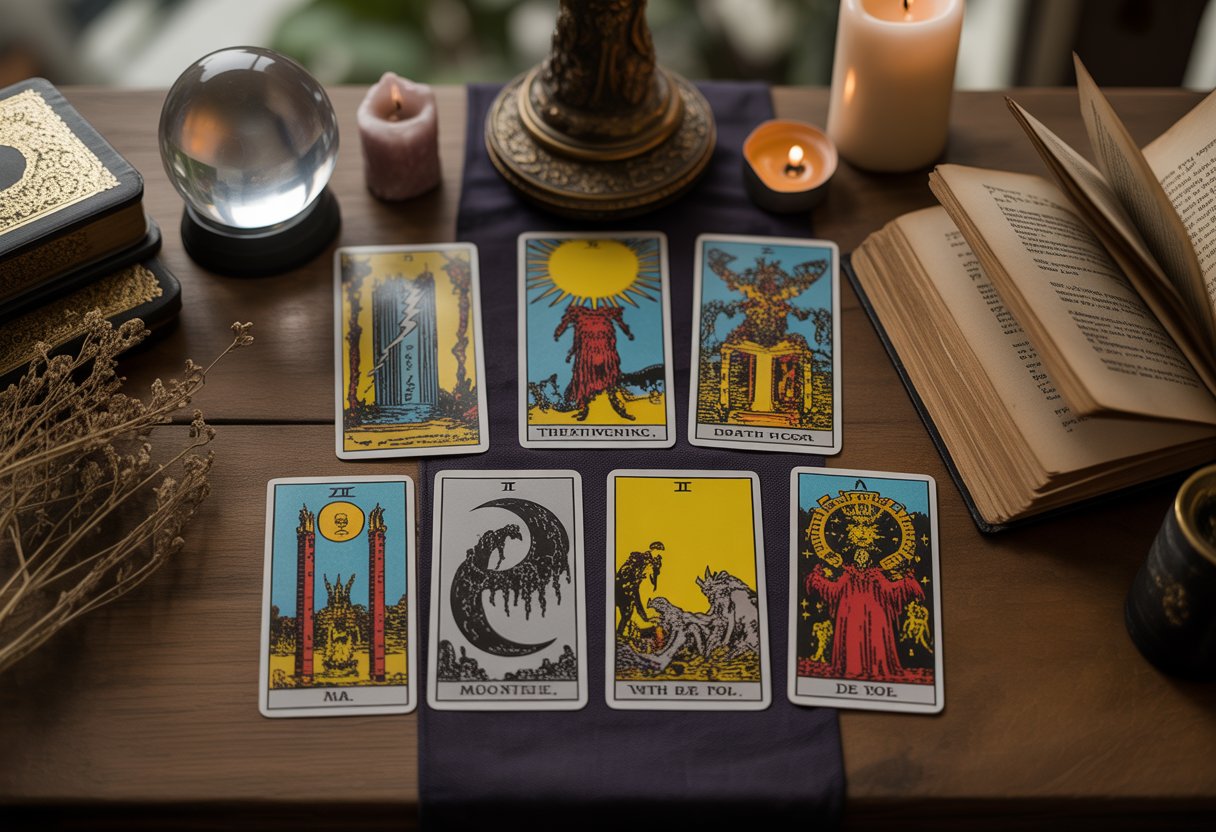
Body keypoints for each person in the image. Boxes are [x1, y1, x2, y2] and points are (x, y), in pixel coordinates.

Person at [806, 550, 924, 681]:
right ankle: (853, 669)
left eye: (864, 555)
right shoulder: (848, 573)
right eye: (858, 555)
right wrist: (818, 580)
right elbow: (835, 589)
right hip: (851, 613)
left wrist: (906, 582)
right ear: (855, 558)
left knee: (875, 638)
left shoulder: (876, 574)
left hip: (874, 614)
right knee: (852, 638)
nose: (861, 557)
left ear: (868, 559)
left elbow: (890, 589)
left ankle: (874, 669)